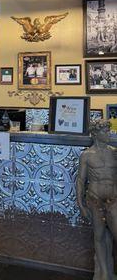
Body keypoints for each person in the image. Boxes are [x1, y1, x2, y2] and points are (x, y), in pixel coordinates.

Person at [76, 120, 117, 280]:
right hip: (94, 198)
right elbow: (81, 180)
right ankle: (104, 273)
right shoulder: (87, 155)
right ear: (96, 134)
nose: (109, 134)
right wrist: (81, 204)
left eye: (109, 131)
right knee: (99, 236)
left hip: (113, 199)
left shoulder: (114, 152)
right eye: (105, 131)